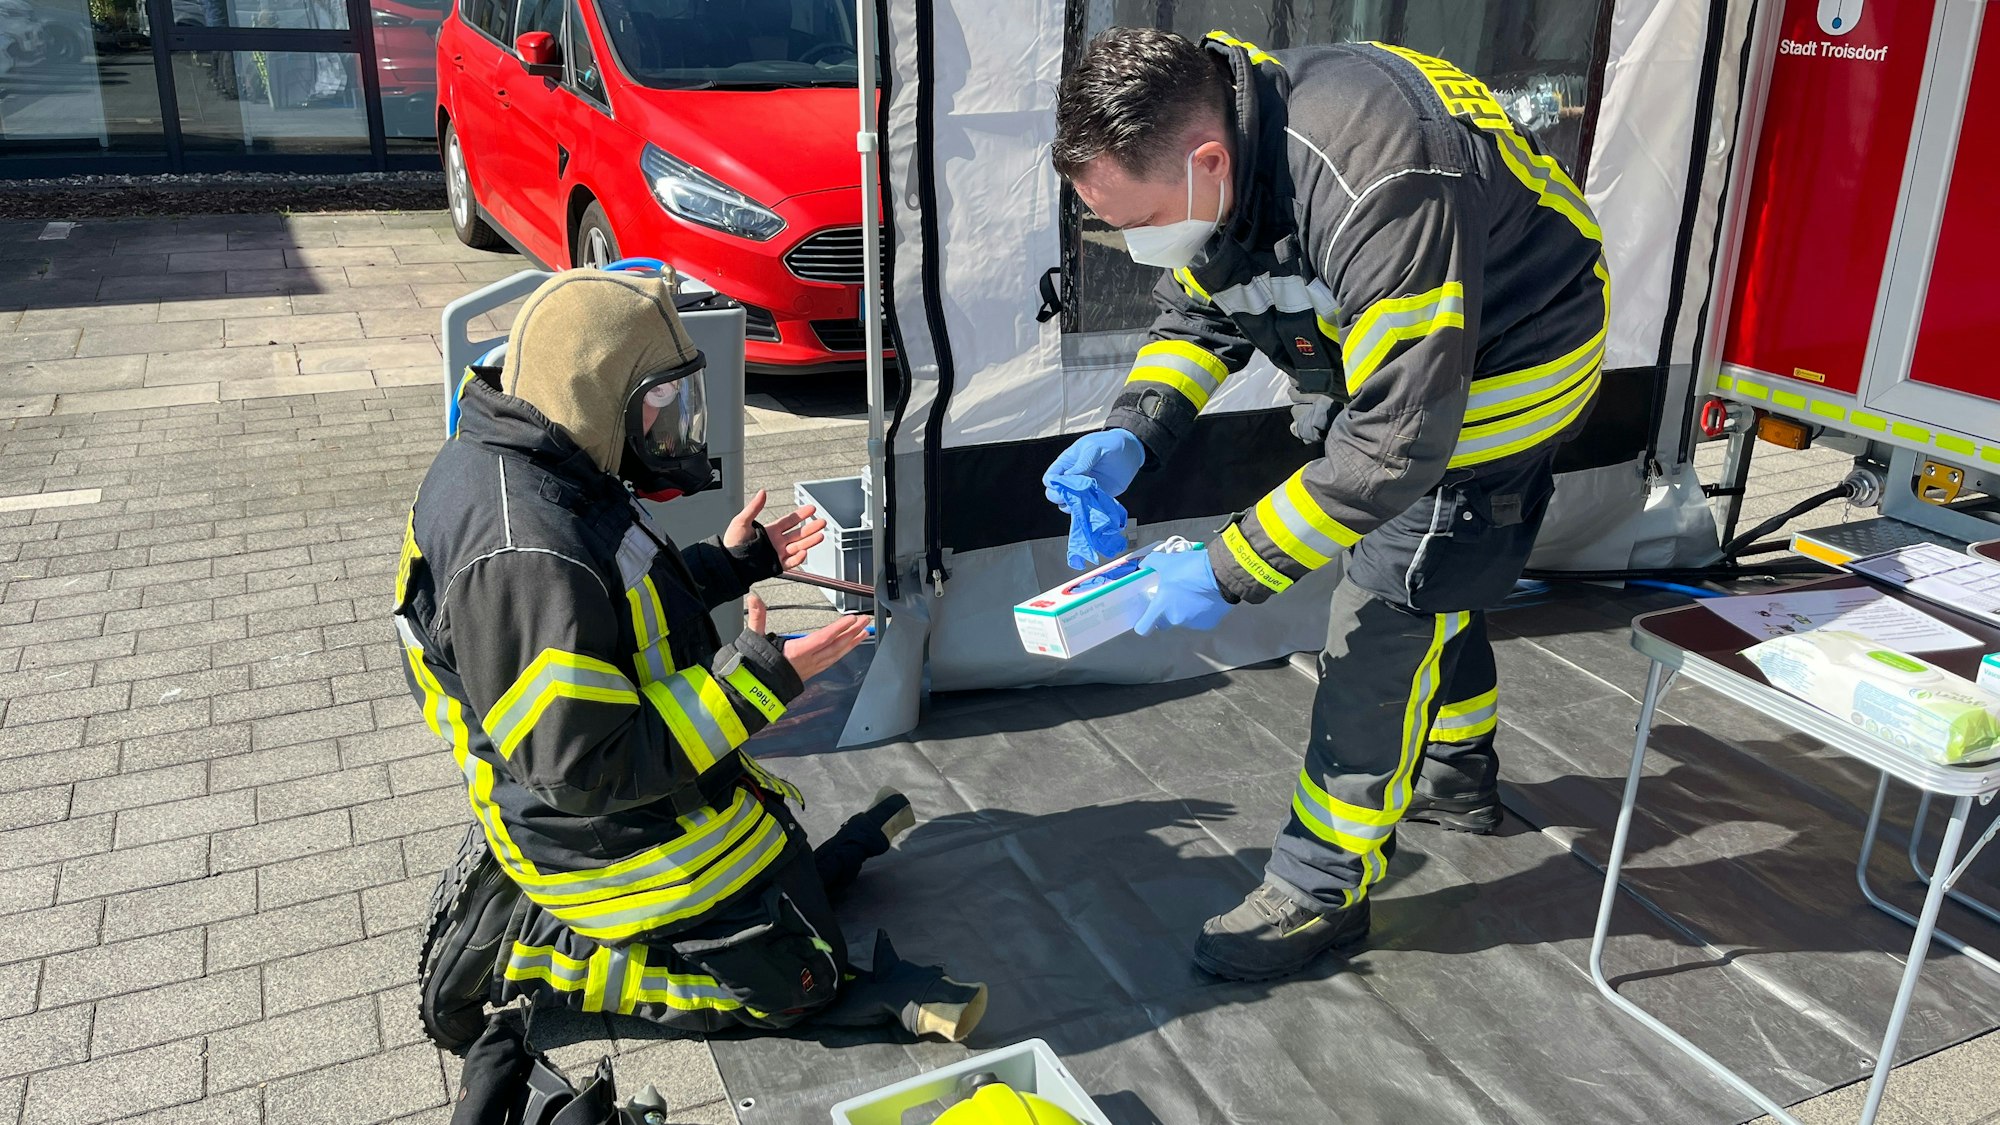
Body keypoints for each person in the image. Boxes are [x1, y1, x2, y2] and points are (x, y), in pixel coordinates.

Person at [1045, 29, 1608, 981]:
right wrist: (1134, 429)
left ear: (1207, 161)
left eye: (1134, 222)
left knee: (1385, 615)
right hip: (1408, 379)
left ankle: (1320, 884)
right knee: (1435, 584)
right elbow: (1202, 307)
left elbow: (1398, 442)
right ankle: (1458, 771)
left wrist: (1226, 569)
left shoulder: (1381, 182)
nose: (1135, 246)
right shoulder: (1225, 146)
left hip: (1509, 373)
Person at [398, 269, 987, 1050]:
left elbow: (614, 616)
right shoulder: (525, 550)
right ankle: (536, 950)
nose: (673, 429)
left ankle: (755, 897)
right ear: (595, 395)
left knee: (785, 876)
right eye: (656, 405)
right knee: (799, 982)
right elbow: (584, 768)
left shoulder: (552, 454)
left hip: (621, 793)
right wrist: (758, 683)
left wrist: (733, 561)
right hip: (588, 827)